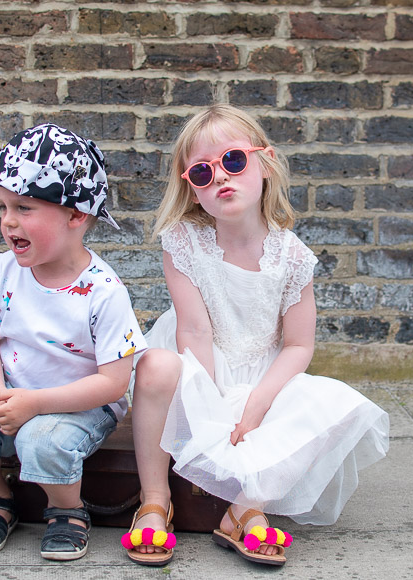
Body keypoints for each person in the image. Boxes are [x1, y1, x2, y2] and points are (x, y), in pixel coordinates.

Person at [122, 105, 390, 567]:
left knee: (311, 405)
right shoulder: (184, 241)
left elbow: (298, 346)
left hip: (264, 368)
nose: (220, 178)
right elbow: (195, 329)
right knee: (155, 370)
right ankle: (153, 498)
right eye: (202, 172)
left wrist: (258, 400)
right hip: (194, 358)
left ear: (264, 164)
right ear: (190, 187)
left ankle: (246, 508)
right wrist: (211, 402)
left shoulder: (293, 257)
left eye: (233, 161)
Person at [0, 123, 147, 561]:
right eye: (3, 207)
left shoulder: (104, 291)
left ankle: (67, 511)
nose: (9, 221)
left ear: (76, 216)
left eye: (25, 207)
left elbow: (113, 382)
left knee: (42, 439)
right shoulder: (3, 271)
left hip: (81, 400)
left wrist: (33, 405)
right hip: (9, 387)